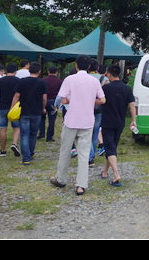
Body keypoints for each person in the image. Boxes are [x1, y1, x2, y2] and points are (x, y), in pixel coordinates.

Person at [50, 55, 105, 195]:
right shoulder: (94, 81)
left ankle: (61, 179)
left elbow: (60, 98)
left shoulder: (70, 79)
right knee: (84, 154)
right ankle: (81, 185)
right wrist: (92, 101)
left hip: (71, 121)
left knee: (65, 151)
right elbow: (103, 100)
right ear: (88, 66)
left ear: (76, 65)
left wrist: (67, 102)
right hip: (87, 121)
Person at [99, 64, 136, 187]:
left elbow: (99, 102)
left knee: (109, 148)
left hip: (107, 122)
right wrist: (133, 120)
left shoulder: (105, 88)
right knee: (112, 147)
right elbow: (132, 105)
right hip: (120, 123)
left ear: (109, 74)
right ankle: (105, 172)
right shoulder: (127, 88)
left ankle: (116, 175)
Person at [11, 62, 47, 165]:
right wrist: (43, 108)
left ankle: (25, 158)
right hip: (36, 112)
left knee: (24, 134)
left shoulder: (22, 81)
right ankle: (31, 153)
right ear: (39, 71)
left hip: (24, 111)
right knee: (33, 134)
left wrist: (12, 108)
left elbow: (16, 96)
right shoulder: (42, 82)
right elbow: (44, 99)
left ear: (29, 70)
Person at [0, 63, 21, 157]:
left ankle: (2, 150)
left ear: (6, 70)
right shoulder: (19, 81)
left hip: (2, 106)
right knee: (16, 128)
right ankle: (14, 144)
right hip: (14, 107)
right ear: (16, 71)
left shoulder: (0, 80)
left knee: (3, 129)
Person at [88, 59, 109, 167]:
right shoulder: (104, 79)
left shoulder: (85, 78)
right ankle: (92, 156)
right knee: (95, 134)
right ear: (97, 68)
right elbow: (106, 95)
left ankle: (90, 157)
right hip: (99, 109)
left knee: (86, 133)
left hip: (86, 109)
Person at [40, 66, 62, 142]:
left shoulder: (43, 80)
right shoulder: (59, 81)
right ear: (56, 72)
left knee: (42, 118)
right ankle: (49, 136)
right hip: (53, 101)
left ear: (48, 72)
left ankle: (41, 133)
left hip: (43, 101)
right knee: (52, 120)